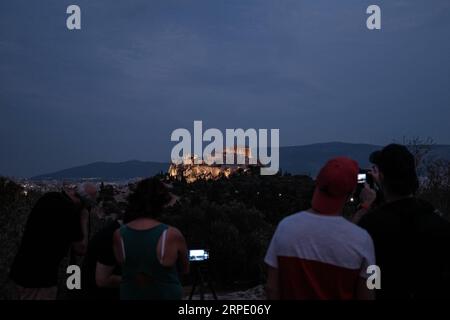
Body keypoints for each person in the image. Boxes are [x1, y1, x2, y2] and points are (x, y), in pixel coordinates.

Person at [265, 157, 375, 300]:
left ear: (318, 182)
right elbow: (369, 292)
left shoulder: (286, 226)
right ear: (351, 193)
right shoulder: (362, 240)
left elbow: (271, 288)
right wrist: (365, 208)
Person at [357, 144, 450, 299]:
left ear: (382, 178)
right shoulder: (439, 223)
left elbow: (371, 276)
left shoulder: (372, 226)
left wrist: (366, 205)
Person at [9, 183, 96, 300]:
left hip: (20, 270)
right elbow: (81, 248)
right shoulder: (70, 210)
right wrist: (84, 218)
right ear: (83, 203)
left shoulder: (49, 197)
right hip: (41, 279)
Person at [112, 178, 189, 300]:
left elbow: (124, 266)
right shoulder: (171, 234)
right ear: (161, 203)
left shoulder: (119, 234)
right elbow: (185, 269)